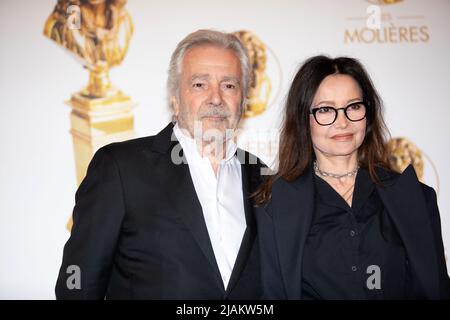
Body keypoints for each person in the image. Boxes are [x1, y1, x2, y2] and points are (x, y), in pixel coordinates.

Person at [55, 29, 263, 299]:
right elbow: (78, 283)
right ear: (175, 99)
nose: (216, 98)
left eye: (229, 85)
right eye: (199, 84)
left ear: (243, 100)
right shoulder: (120, 168)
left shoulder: (262, 176)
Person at [253, 55, 450, 299]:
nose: (343, 122)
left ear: (368, 115)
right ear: (304, 119)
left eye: (354, 106)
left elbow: (437, 289)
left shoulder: (415, 198)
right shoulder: (273, 207)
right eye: (326, 110)